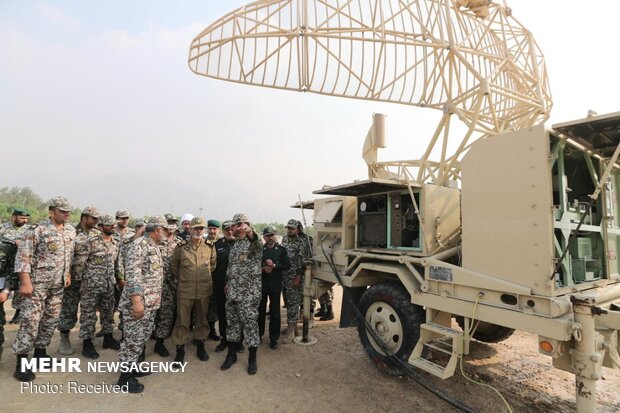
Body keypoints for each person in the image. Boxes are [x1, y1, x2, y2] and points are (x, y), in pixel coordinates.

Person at [12, 197, 76, 382]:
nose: (67, 214)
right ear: (52, 211)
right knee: (30, 323)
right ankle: (22, 362)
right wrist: (25, 281)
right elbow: (23, 257)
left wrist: (68, 274)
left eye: (68, 211)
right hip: (37, 286)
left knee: (49, 321)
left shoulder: (70, 230)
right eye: (62, 211)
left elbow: (68, 255)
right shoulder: (37, 230)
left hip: (57, 286)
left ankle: (40, 355)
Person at [116, 216, 167, 393]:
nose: (167, 234)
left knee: (141, 338)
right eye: (165, 230)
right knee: (132, 340)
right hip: (137, 304)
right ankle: (125, 378)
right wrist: (136, 301)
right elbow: (133, 275)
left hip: (149, 304)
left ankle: (134, 367)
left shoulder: (153, 246)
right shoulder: (140, 245)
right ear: (157, 230)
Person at [74, 214, 121, 359]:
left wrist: (119, 279)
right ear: (101, 227)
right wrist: (80, 281)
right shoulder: (91, 242)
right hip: (91, 285)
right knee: (88, 315)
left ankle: (108, 338)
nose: (113, 227)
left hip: (108, 284)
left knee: (108, 313)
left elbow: (116, 263)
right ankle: (87, 344)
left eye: (114, 224)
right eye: (109, 225)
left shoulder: (115, 243)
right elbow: (80, 264)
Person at [170, 217, 216, 364]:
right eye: (195, 228)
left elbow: (212, 266)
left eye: (201, 228)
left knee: (202, 320)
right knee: (182, 320)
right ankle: (180, 349)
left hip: (203, 290)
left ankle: (200, 346)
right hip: (185, 290)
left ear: (204, 230)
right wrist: (187, 278)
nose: (198, 231)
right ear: (189, 229)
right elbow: (174, 267)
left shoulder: (210, 246)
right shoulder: (181, 246)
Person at [220, 213, 262, 375]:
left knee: (250, 325)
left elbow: (258, 244)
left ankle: (252, 359)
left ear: (245, 226)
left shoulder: (253, 244)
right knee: (232, 324)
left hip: (248, 294)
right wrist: (227, 283)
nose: (234, 228)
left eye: (237, 225)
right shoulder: (236, 245)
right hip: (233, 293)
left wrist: (250, 232)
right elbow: (232, 267)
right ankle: (231, 355)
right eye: (234, 226)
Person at [58, 205, 100, 355]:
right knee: (68, 310)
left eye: (97, 218)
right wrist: (66, 274)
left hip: (90, 280)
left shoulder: (97, 234)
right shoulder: (71, 233)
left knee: (88, 312)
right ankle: (64, 338)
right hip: (72, 280)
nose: (96, 221)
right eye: (93, 218)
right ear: (84, 218)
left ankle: (87, 343)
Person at [281, 219, 313, 343]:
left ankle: (291, 331)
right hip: (285, 276)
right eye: (288, 228)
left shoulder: (303, 241)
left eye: (292, 228)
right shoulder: (284, 239)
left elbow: (303, 261)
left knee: (294, 303)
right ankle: (293, 328)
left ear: (298, 228)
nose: (290, 230)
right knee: (289, 302)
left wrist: (299, 276)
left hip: (296, 277)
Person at [258, 226, 290, 349]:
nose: (270, 238)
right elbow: (254, 265)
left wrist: (275, 265)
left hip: (275, 285)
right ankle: (259, 335)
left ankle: (273, 339)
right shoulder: (260, 250)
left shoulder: (281, 250)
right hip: (262, 285)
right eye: (267, 235)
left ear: (275, 236)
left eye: (272, 235)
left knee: (275, 313)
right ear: (264, 237)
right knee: (260, 312)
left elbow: (287, 265)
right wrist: (262, 269)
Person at [153, 219, 179, 357]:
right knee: (151, 315)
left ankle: (159, 343)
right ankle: (141, 347)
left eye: (173, 223)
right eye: (168, 223)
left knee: (166, 314)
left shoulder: (180, 243)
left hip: (171, 285)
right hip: (154, 284)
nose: (171, 226)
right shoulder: (156, 241)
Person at [0, 208, 30, 325]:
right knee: (4, 291)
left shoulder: (28, 230)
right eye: (22, 218)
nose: (25, 221)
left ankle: (19, 313)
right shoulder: (3, 228)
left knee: (20, 291)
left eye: (27, 218)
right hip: (4, 266)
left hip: (20, 267)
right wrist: (14, 241)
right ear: (13, 217)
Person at [212, 220, 235, 353]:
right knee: (222, 313)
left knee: (237, 314)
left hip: (237, 285)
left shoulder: (241, 244)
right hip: (220, 285)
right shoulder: (217, 245)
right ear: (223, 231)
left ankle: (237, 341)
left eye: (232, 229)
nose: (230, 231)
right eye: (227, 229)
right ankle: (224, 339)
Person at [205, 219, 221, 341]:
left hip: (217, 281)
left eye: (214, 228)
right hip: (203, 281)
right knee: (200, 308)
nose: (212, 231)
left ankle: (212, 330)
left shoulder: (221, 243)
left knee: (213, 307)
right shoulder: (202, 242)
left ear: (218, 230)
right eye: (210, 228)